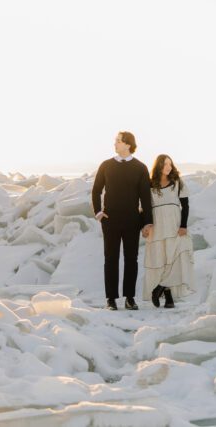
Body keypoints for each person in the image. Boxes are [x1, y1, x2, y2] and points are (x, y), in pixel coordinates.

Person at [92, 131, 153, 311]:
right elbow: (96, 191)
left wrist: (147, 222)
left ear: (127, 144)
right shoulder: (106, 165)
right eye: (115, 141)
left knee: (131, 259)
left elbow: (145, 198)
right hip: (110, 220)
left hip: (132, 220)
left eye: (118, 141)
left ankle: (129, 298)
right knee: (110, 259)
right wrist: (98, 212)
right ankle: (111, 299)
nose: (115, 144)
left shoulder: (140, 167)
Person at [142, 154, 195, 308]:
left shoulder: (177, 183)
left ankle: (160, 288)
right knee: (162, 258)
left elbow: (185, 206)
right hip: (158, 225)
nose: (168, 167)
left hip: (174, 224)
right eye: (165, 164)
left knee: (176, 257)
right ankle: (168, 295)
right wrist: (145, 225)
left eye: (170, 164)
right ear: (158, 166)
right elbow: (145, 207)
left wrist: (183, 225)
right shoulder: (150, 184)